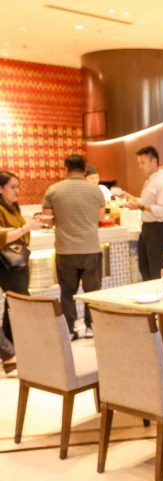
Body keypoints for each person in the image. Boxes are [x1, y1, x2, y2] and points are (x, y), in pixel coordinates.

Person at [42, 154, 105, 339]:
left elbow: (47, 219)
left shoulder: (53, 190)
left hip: (65, 249)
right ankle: (91, 327)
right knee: (92, 292)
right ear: (84, 169)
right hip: (90, 247)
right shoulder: (95, 190)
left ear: (66, 168)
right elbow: (100, 217)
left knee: (67, 292)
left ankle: (70, 330)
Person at [0, 172, 44, 372]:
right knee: (20, 303)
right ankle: (10, 353)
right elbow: (3, 236)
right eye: (12, 187)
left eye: (18, 186)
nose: (17, 191)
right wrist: (26, 228)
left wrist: (28, 224)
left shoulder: (12, 207)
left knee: (15, 304)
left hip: (16, 261)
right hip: (6, 263)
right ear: (1, 189)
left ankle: (12, 352)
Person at [122, 146, 163, 280]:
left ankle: (160, 292)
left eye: (143, 163)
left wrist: (140, 206)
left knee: (155, 269)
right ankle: (152, 291)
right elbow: (147, 203)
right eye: (139, 163)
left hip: (158, 228)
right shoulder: (149, 182)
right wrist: (132, 199)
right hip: (148, 227)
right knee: (144, 267)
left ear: (154, 162)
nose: (140, 167)